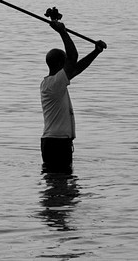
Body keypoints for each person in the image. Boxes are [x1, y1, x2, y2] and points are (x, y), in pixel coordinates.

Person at [40, 19, 106, 173]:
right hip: (56, 143)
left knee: (63, 190)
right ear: (59, 64)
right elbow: (73, 57)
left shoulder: (56, 82)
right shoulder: (54, 84)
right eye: (65, 63)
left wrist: (96, 51)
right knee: (60, 189)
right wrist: (62, 32)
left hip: (58, 142)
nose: (67, 66)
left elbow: (77, 68)